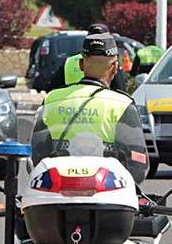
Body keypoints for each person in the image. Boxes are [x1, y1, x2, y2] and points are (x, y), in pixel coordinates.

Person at [31, 33, 148, 182]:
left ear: (81, 65)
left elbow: (37, 154)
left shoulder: (51, 100)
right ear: (115, 67)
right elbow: (137, 166)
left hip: (56, 191)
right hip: (108, 195)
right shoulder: (122, 104)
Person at [46, 23, 129, 93]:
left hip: (70, 107)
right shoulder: (110, 62)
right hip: (101, 108)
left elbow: (52, 91)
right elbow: (120, 91)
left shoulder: (69, 62)